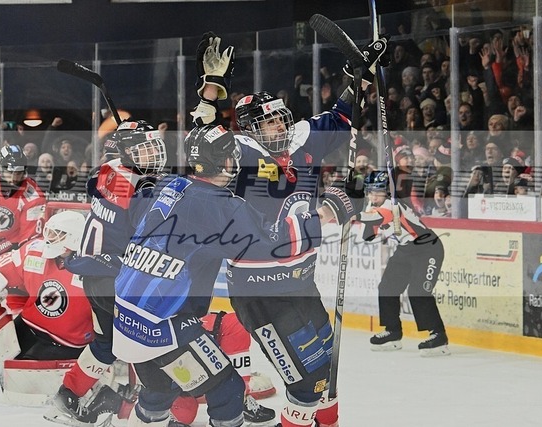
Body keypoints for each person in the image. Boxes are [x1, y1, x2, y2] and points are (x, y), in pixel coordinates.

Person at [193, 33, 383, 427]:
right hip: (260, 293)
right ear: (249, 128)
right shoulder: (240, 153)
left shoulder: (301, 139)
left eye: (281, 117)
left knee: (326, 372)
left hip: (302, 283)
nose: (279, 124)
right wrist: (211, 90)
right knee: (306, 386)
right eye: (269, 121)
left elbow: (342, 114)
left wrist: (360, 74)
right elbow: (202, 138)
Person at [111, 124, 358, 427]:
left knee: (161, 389)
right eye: (232, 155)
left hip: (124, 317)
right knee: (228, 391)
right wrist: (327, 213)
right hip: (162, 325)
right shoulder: (219, 206)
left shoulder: (168, 185)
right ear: (224, 161)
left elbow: (141, 209)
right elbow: (272, 242)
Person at [44, 120, 170, 426]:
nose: (152, 154)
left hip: (93, 277)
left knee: (105, 344)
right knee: (147, 346)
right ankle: (141, 412)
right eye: (144, 150)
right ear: (127, 153)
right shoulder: (142, 191)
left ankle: (67, 395)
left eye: (153, 147)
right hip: (116, 279)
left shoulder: (105, 171)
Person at [360, 159, 450, 356]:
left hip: (428, 248)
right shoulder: (374, 208)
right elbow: (368, 237)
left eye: (378, 191)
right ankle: (393, 331)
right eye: (370, 191)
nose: (374, 196)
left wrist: (351, 211)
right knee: (387, 287)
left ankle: (438, 336)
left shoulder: (392, 206)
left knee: (418, 292)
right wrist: (366, 210)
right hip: (405, 250)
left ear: (387, 192)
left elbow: (373, 218)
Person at [0, 210, 94, 360]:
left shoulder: (94, 269)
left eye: (59, 234)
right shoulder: (34, 249)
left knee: (21, 368)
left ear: (74, 240)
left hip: (67, 342)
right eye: (50, 232)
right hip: (29, 323)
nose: (50, 238)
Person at [0, 144, 47, 267]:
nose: (14, 177)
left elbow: (28, 238)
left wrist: (18, 256)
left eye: (19, 173)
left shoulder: (33, 196)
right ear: (1, 169)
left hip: (13, 240)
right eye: (10, 172)